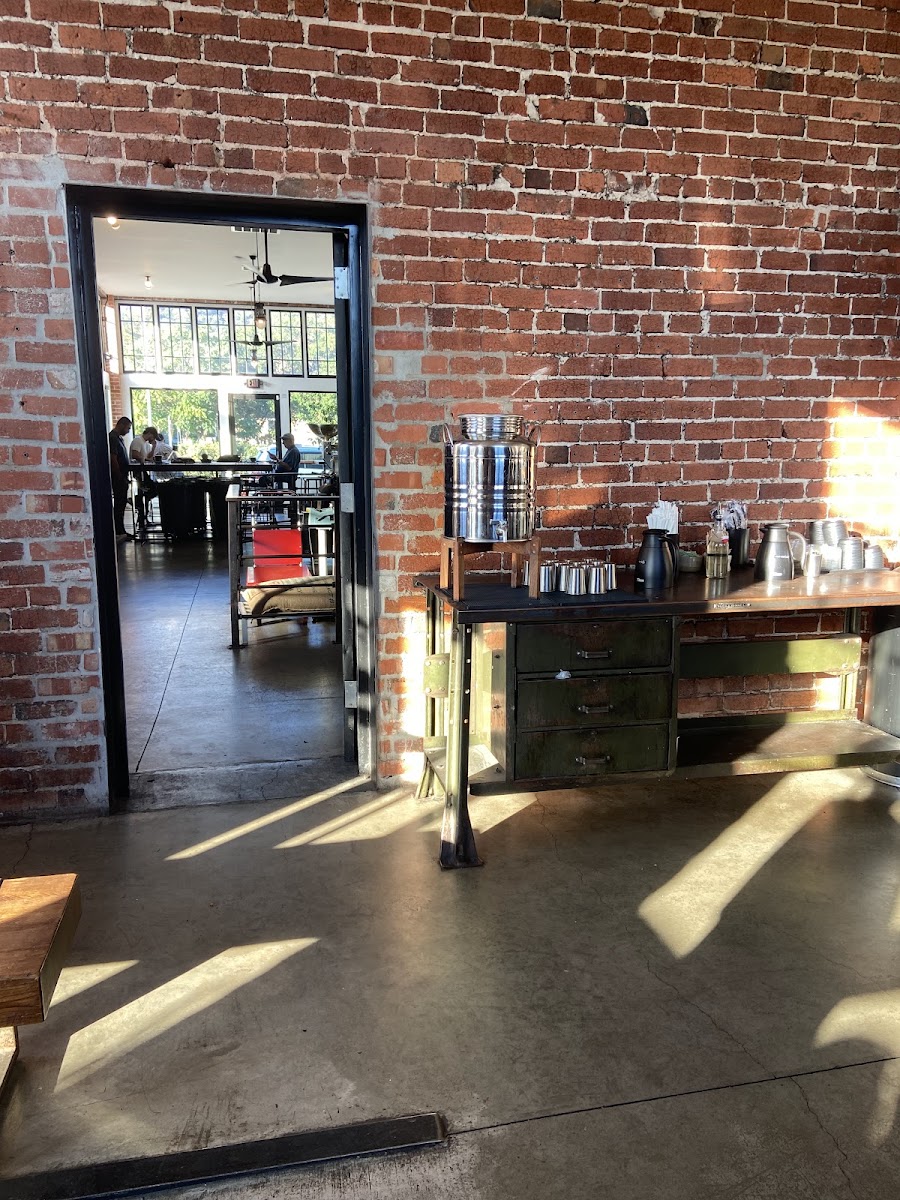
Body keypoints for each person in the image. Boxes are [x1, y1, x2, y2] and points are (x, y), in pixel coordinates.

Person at [129, 426, 160, 530]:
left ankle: (142, 513)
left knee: (149, 490)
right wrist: (144, 459)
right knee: (153, 489)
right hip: (138, 471)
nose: (153, 439)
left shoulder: (145, 443)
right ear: (150, 433)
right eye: (153, 437)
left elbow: (148, 457)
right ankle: (135, 500)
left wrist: (154, 447)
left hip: (143, 470)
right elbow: (135, 454)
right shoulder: (138, 441)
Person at [108, 416, 133, 540]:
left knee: (122, 503)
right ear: (122, 425)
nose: (128, 431)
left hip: (122, 475)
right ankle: (118, 531)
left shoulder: (118, 438)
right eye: (128, 428)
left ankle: (121, 530)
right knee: (119, 504)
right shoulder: (113, 438)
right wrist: (118, 474)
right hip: (118, 476)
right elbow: (113, 458)